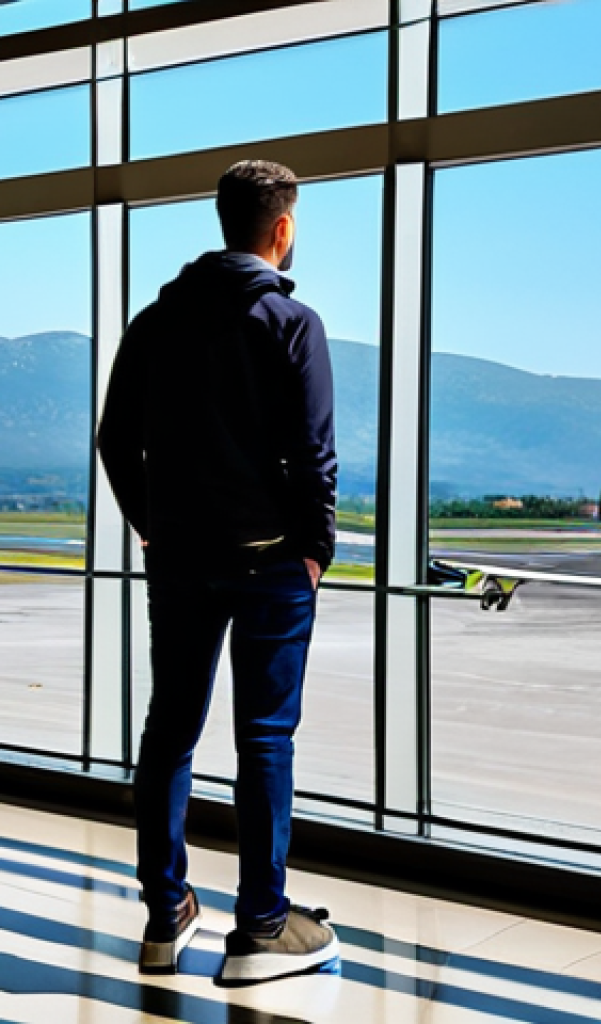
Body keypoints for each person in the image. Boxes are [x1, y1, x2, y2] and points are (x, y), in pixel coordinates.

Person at [97, 159, 339, 985]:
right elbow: (313, 454)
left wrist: (153, 528)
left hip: (181, 562)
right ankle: (261, 929)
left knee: (170, 731)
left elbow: (112, 441)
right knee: (264, 739)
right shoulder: (291, 321)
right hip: (271, 564)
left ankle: (165, 917)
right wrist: (316, 551)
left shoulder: (154, 322)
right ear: (281, 229)